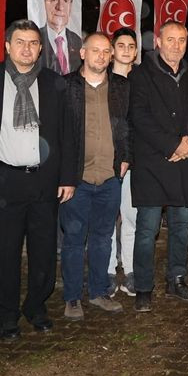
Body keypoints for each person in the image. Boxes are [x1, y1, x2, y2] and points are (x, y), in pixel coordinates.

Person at [0, 20, 74, 339]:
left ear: (40, 48)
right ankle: (6, 316)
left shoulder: (53, 83)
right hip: (4, 180)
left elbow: (67, 134)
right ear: (7, 45)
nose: (27, 48)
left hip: (43, 181)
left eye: (33, 43)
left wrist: (67, 177)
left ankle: (36, 306)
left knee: (44, 250)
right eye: (20, 42)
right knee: (3, 253)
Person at [129, 20, 188, 311]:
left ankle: (176, 278)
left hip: (185, 163)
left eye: (181, 40)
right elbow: (138, 116)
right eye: (171, 40)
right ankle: (143, 287)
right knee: (147, 229)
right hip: (154, 163)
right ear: (158, 42)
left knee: (181, 226)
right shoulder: (141, 75)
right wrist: (171, 144)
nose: (176, 46)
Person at [60, 32, 131, 318]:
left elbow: (127, 124)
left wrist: (126, 156)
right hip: (76, 179)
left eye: (106, 52)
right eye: (95, 51)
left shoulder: (121, 86)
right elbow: (57, 134)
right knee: (74, 240)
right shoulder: (65, 86)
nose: (101, 56)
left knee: (103, 238)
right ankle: (72, 297)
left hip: (110, 177)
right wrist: (63, 176)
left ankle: (100, 292)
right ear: (82, 53)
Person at [108, 28, 139, 292]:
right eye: (121, 45)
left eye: (131, 46)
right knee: (106, 218)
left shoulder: (141, 80)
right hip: (108, 158)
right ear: (112, 49)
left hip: (136, 161)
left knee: (132, 217)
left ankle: (130, 270)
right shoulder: (103, 80)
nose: (126, 50)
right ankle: (108, 271)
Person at [39, 0, 82, 76]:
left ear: (71, 5)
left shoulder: (78, 42)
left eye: (65, 0)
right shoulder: (35, 40)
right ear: (44, 2)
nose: (60, 7)